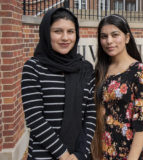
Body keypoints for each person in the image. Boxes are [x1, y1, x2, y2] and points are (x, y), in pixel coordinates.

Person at [21, 7, 96, 160]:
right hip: (44, 155)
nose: (65, 37)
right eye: (57, 31)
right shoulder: (33, 67)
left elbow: (90, 114)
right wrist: (64, 155)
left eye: (70, 31)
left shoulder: (85, 68)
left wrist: (79, 154)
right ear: (46, 34)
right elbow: (34, 118)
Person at [91, 14, 143, 160]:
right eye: (104, 36)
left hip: (127, 151)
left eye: (115, 35)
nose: (109, 41)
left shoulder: (138, 71)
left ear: (127, 38)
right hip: (102, 148)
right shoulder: (101, 69)